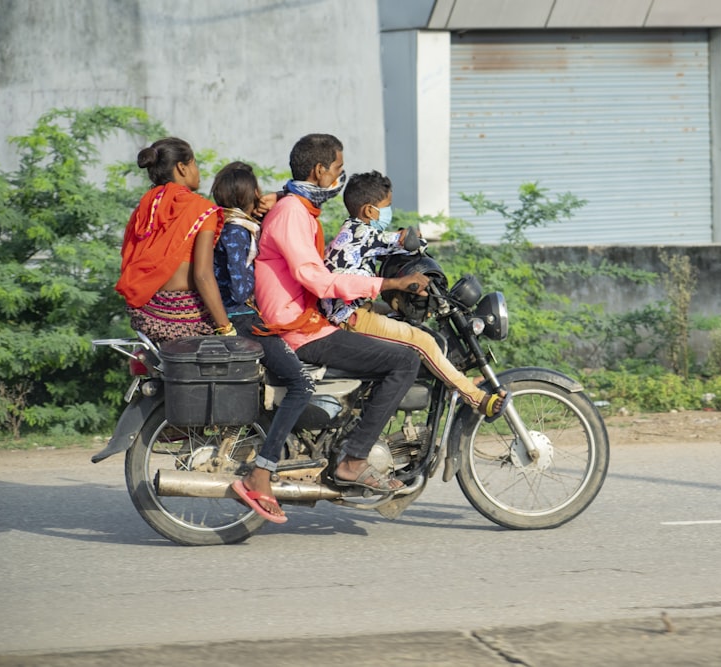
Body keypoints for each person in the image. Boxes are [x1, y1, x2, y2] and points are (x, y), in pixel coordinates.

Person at [254, 134, 430, 494]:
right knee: (405, 362)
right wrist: (389, 285)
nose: (340, 176)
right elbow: (316, 280)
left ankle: (349, 437)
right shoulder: (291, 213)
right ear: (320, 171)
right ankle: (354, 460)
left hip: (306, 320)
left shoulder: (296, 208)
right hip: (299, 328)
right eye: (337, 168)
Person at [323, 170, 507, 420]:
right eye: (386, 207)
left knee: (407, 322)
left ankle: (455, 377)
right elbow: (405, 241)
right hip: (350, 316)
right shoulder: (362, 233)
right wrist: (414, 240)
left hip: (350, 309)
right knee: (422, 341)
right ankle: (476, 398)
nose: (387, 212)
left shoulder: (351, 232)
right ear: (368, 210)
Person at [211, 161, 311, 523]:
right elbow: (239, 287)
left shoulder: (231, 223)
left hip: (241, 316)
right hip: (241, 318)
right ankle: (263, 471)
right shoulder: (237, 231)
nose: (260, 194)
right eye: (256, 189)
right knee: (301, 383)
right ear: (246, 194)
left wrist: (279, 198)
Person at [116, 137, 234, 343]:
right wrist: (226, 329)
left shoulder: (144, 208)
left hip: (147, 317)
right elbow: (203, 276)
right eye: (194, 163)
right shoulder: (201, 209)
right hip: (185, 320)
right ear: (182, 168)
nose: (198, 171)